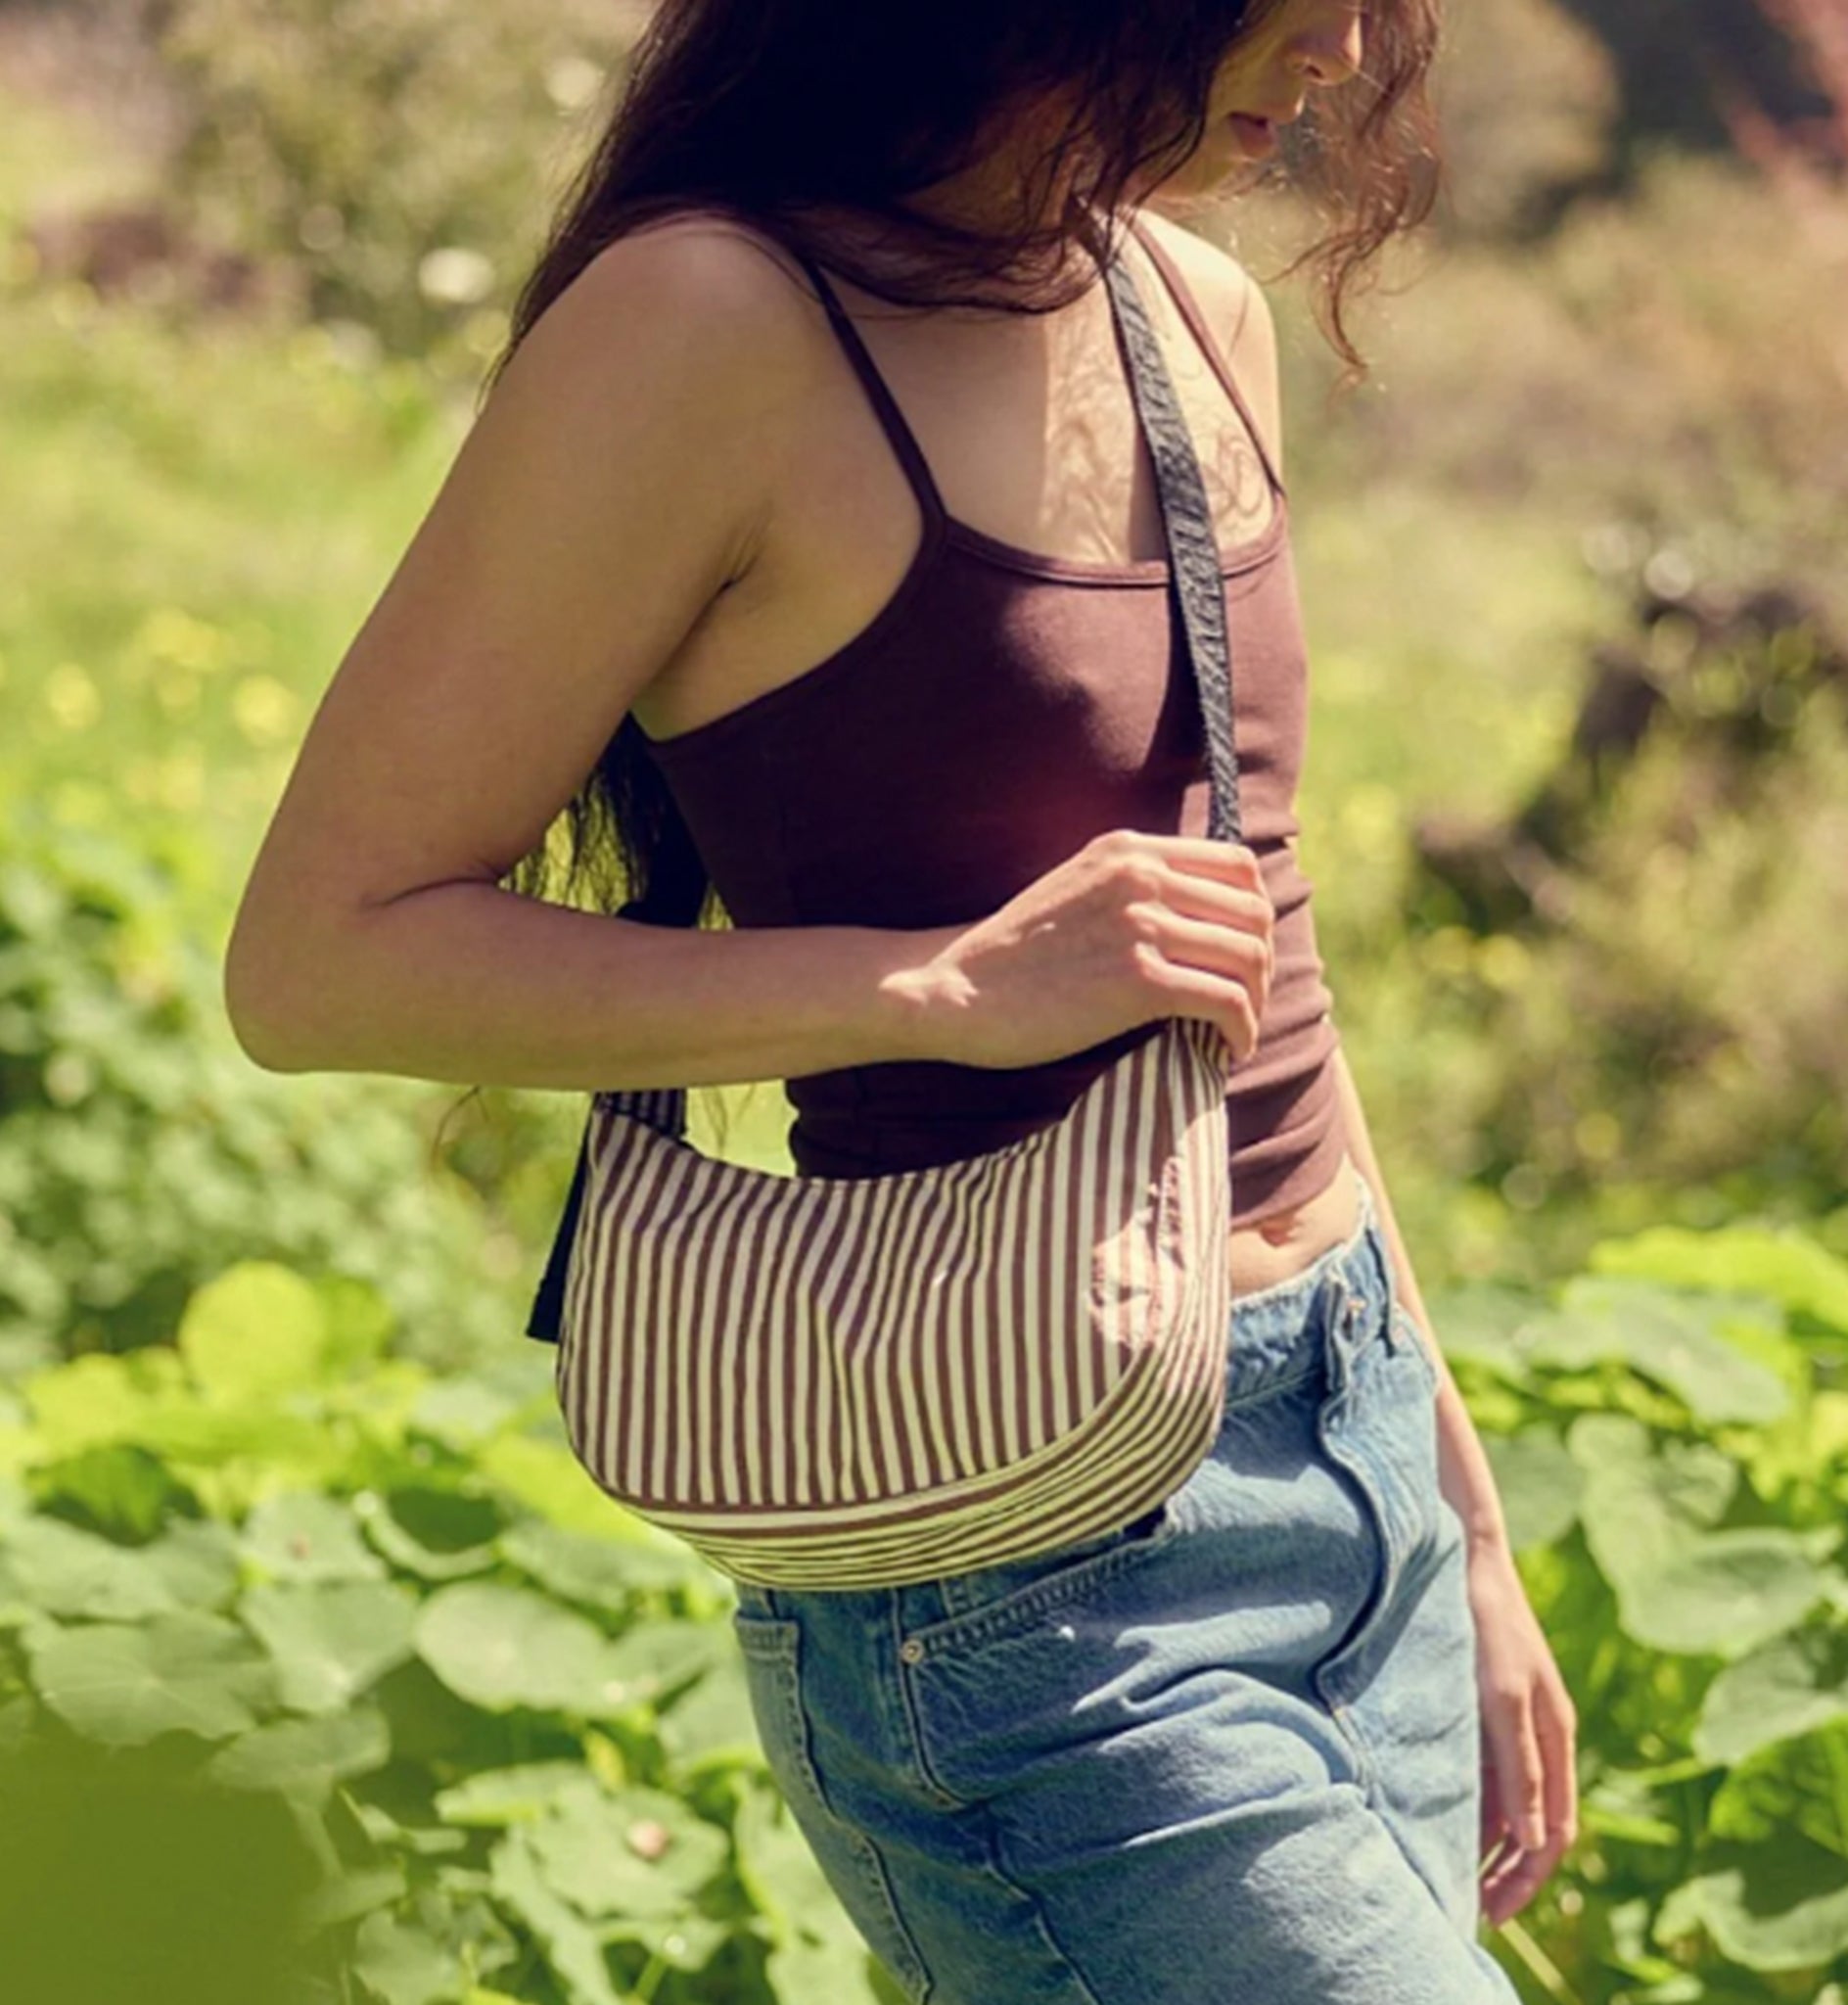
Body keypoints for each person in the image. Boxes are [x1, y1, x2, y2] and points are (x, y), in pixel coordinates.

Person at [224, 0, 1577, 1996]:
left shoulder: (1190, 309)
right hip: (1036, 1570)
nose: (1356, 44)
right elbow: (318, 954)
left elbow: (1259, 950)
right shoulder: (708, 326)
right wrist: (934, 988)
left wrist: (1455, 1512)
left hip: (1340, 1436)